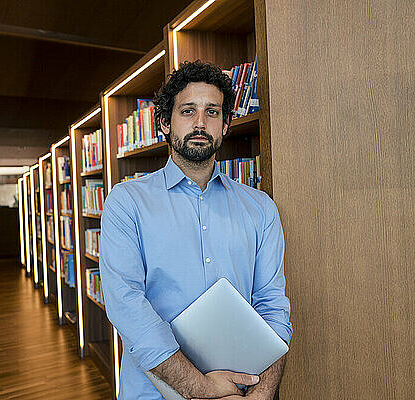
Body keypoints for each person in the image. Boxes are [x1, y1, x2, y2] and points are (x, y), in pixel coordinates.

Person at [99, 60, 292, 400]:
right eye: (188, 111)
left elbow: (273, 308)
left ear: (226, 124)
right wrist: (202, 389)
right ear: (164, 123)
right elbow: (126, 304)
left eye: (212, 112)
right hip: (154, 393)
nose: (201, 123)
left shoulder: (261, 208)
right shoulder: (126, 202)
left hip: (243, 391)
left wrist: (260, 396)